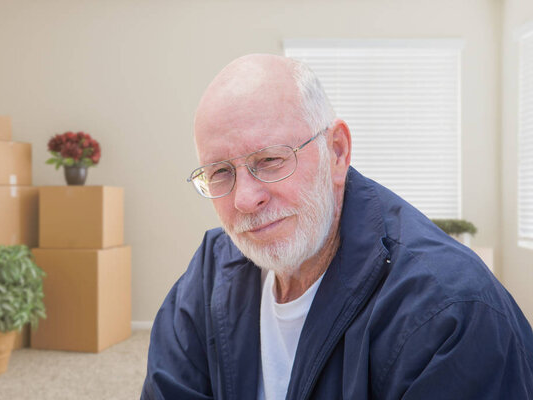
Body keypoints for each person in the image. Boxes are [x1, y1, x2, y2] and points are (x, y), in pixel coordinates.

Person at [141, 54, 533, 399]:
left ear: (338, 151)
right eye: (220, 172)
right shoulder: (210, 273)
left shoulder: (450, 312)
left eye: (271, 161)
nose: (245, 199)